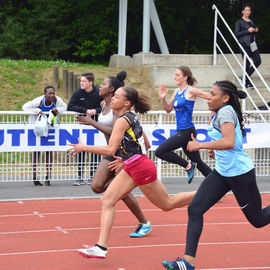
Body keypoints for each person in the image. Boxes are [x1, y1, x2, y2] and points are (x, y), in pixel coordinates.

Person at [67, 86, 196, 259]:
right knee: (107, 200)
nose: (112, 98)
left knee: (167, 204)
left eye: (117, 96)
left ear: (126, 103)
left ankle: (205, 194)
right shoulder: (131, 117)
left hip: (141, 167)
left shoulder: (122, 121)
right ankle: (101, 247)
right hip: (134, 165)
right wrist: (127, 159)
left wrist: (84, 147)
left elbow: (110, 149)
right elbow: (146, 145)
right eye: (113, 96)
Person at [161, 80, 270, 270]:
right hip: (222, 172)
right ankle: (187, 262)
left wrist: (201, 145)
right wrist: (215, 151)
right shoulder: (219, 112)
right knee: (195, 209)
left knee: (258, 220)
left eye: (213, 94)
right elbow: (226, 142)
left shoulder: (226, 111)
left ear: (225, 98)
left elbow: (229, 141)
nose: (208, 97)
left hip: (239, 174)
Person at [77, 71, 152, 237]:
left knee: (164, 203)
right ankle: (126, 194)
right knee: (97, 186)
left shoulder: (117, 108)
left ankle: (144, 222)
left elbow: (115, 130)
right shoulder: (105, 105)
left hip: (122, 155)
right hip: (113, 152)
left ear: (111, 89)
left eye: (103, 84)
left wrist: (93, 123)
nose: (100, 86)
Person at [155, 66, 211, 184]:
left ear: (185, 77)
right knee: (199, 163)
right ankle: (218, 183)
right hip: (182, 131)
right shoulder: (176, 92)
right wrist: (163, 98)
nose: (175, 77)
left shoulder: (191, 90)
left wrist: (213, 113)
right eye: (175, 75)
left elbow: (210, 97)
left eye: (177, 75)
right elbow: (168, 109)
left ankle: (188, 166)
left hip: (187, 132)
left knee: (160, 151)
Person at [22, 85, 67, 186]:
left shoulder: (57, 100)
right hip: (37, 127)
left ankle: (48, 178)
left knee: (48, 151)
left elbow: (65, 107)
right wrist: (37, 111)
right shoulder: (38, 101)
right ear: (45, 94)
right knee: (36, 151)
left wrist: (58, 110)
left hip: (49, 127)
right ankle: (35, 178)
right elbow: (24, 107)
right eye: (49, 93)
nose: (52, 95)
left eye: (53, 93)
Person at [67, 72, 103, 186]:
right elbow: (70, 106)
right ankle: (79, 176)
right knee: (81, 150)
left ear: (90, 82)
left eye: (84, 81)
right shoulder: (78, 92)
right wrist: (85, 110)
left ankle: (92, 175)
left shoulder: (98, 92)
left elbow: (106, 106)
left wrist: (95, 110)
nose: (81, 83)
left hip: (96, 125)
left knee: (95, 150)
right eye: (81, 81)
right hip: (82, 126)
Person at [235, 4, 261, 89]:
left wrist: (255, 30)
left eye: (249, 10)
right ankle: (247, 82)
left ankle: (244, 78)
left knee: (258, 61)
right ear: (242, 11)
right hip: (244, 44)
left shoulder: (251, 21)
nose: (247, 12)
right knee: (247, 63)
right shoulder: (239, 21)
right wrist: (247, 31)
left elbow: (252, 31)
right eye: (246, 10)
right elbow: (237, 34)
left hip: (252, 44)